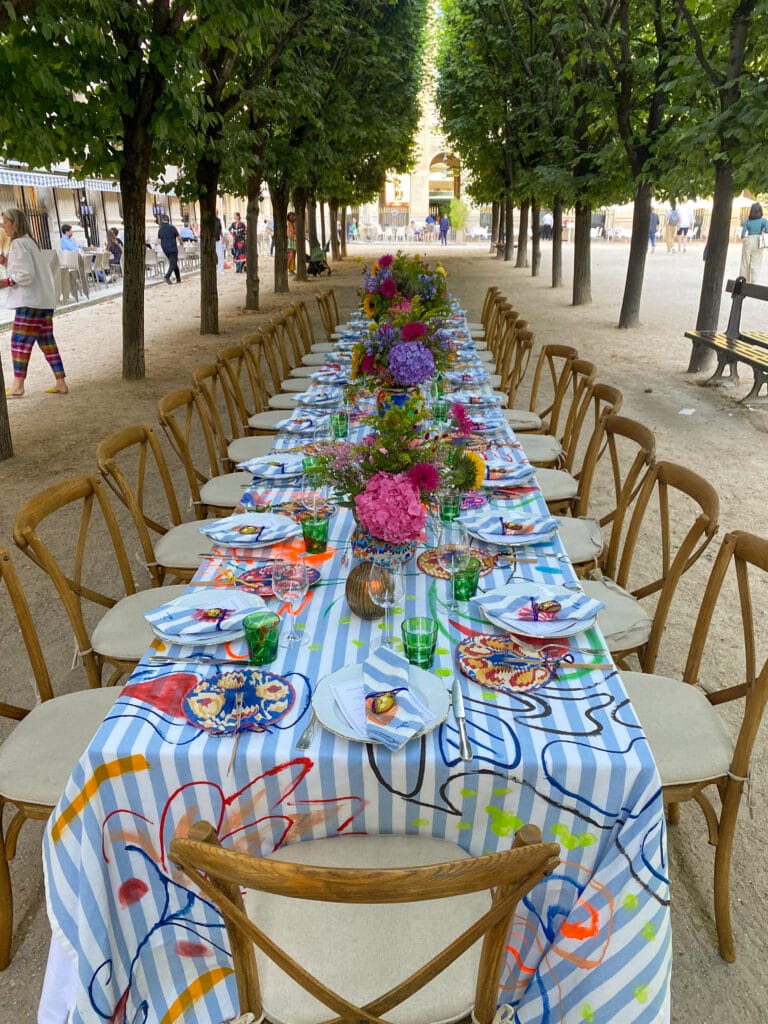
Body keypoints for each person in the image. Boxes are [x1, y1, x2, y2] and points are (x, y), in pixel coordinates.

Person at [0, 207, 68, 397]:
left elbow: (26, 275)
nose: (4, 225)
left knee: (19, 342)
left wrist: (6, 282)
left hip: (30, 302)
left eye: (6, 221)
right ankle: (60, 382)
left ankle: (18, 385)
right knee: (47, 341)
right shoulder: (29, 242)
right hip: (43, 301)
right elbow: (27, 269)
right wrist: (6, 262)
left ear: (15, 223)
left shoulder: (18, 244)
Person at [739, 202, 768, 283]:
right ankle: (754, 281)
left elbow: (742, 235)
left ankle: (744, 280)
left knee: (745, 262)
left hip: (748, 240)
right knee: (756, 263)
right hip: (758, 241)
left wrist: (744, 239)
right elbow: (767, 230)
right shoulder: (763, 221)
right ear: (760, 211)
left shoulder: (747, 222)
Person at [157, 215, 181, 284]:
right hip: (173, 248)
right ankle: (167, 276)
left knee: (173, 263)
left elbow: (158, 241)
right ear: (168, 220)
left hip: (165, 249)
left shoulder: (160, 229)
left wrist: (162, 246)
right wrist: (181, 243)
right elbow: (179, 237)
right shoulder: (172, 227)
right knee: (173, 262)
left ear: (162, 221)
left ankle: (178, 279)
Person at [214, 209, 225, 274]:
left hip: (218, 239)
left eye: (217, 212)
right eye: (216, 212)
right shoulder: (210, 220)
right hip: (211, 241)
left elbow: (220, 229)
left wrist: (223, 237)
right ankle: (216, 269)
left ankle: (220, 270)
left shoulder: (218, 220)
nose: (216, 213)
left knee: (220, 255)